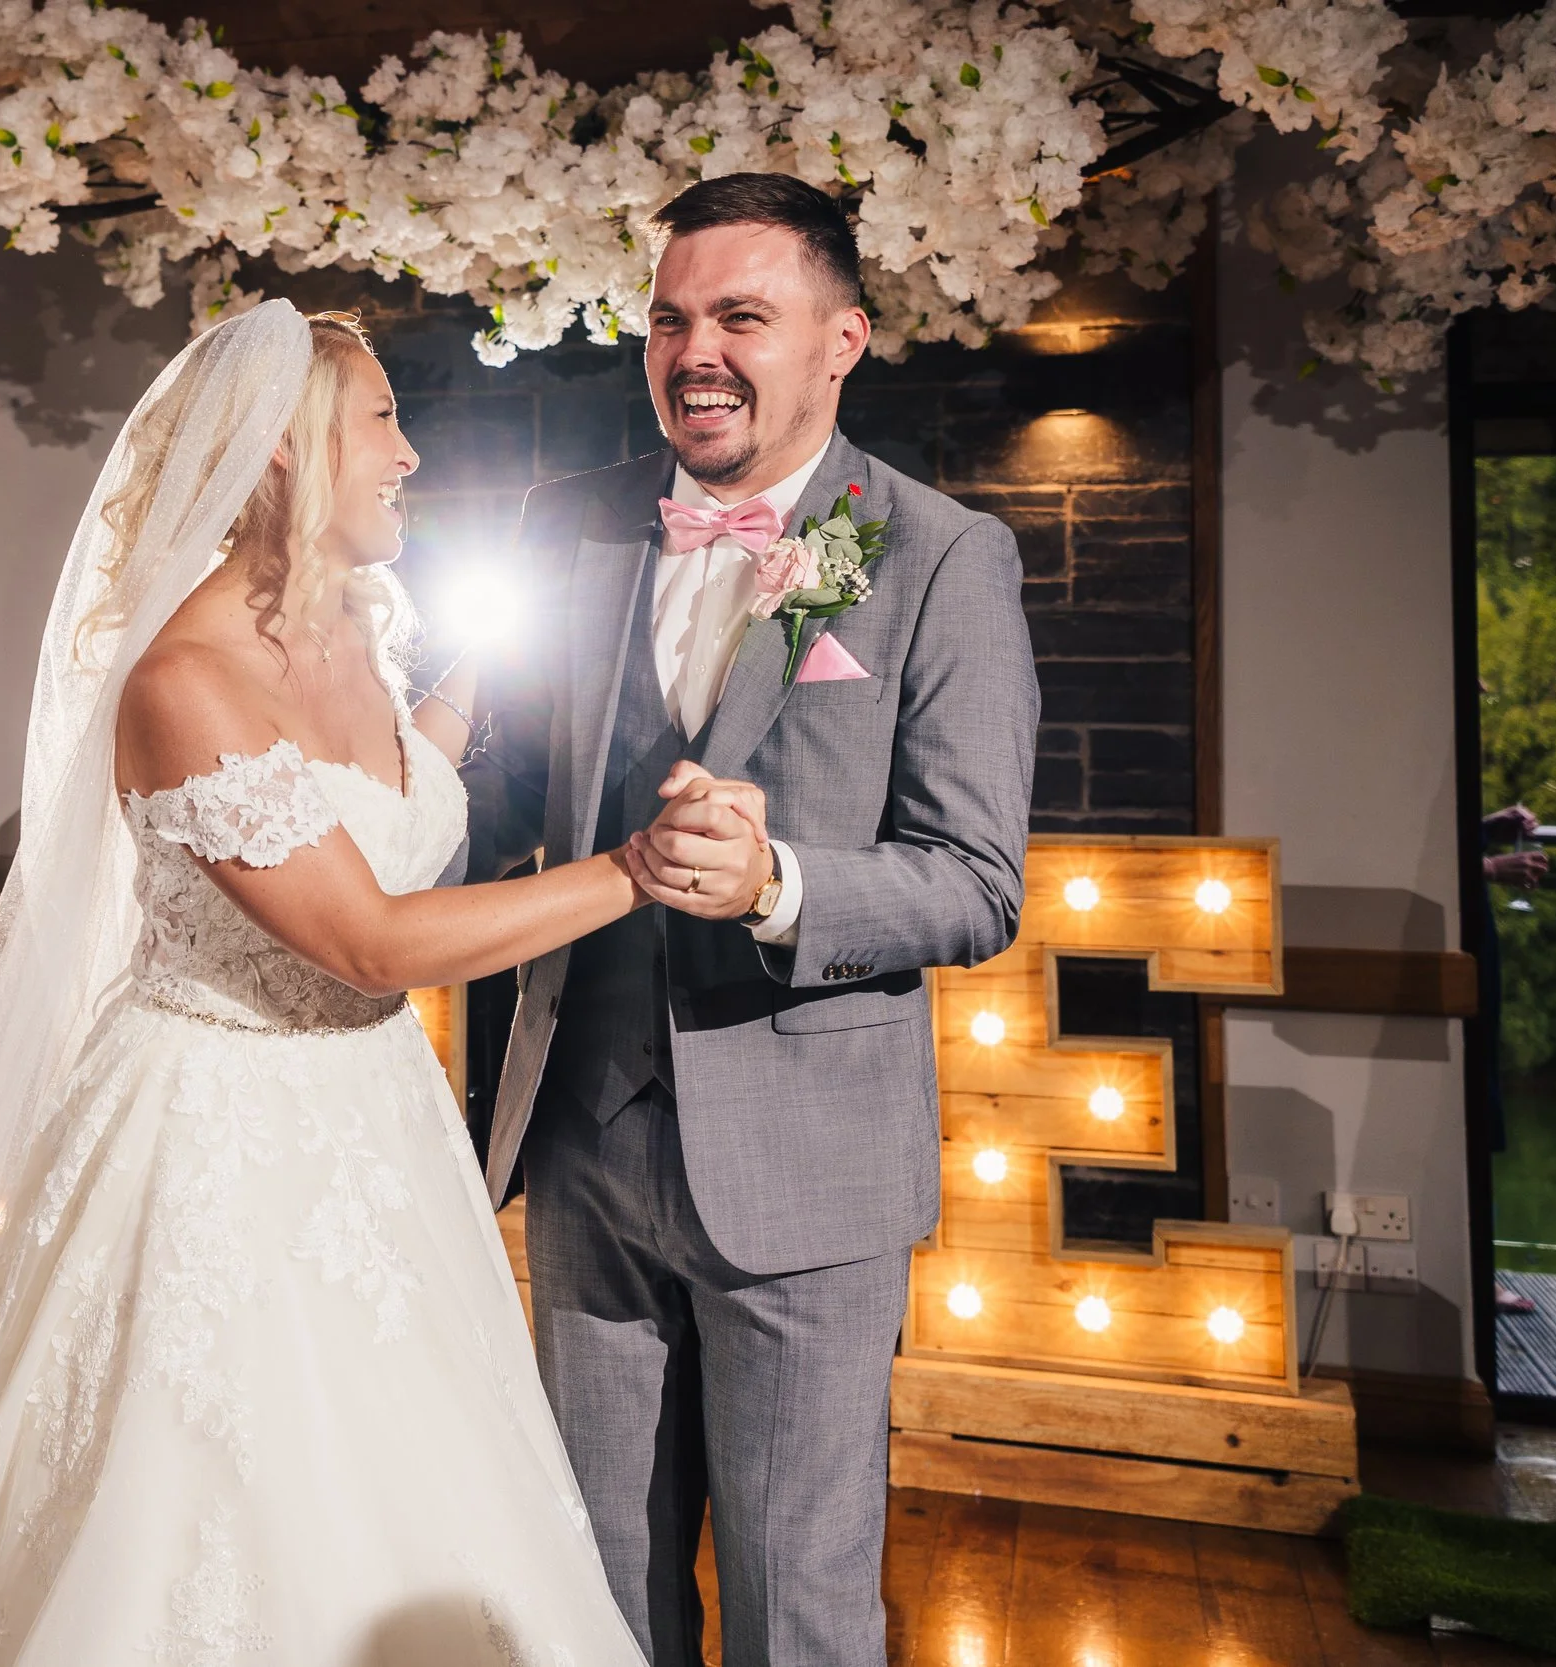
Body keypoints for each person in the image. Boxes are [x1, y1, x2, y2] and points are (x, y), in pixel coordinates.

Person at [0, 304, 706, 1665]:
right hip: (213, 1142)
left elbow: (394, 787)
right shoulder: (180, 682)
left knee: (421, 1488)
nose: (410, 456)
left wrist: (527, 678)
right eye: (382, 422)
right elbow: (367, 939)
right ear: (287, 451)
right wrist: (634, 871)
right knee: (212, 1503)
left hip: (381, 1132)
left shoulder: (368, 628)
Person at [467, 173, 1039, 1667]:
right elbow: (504, 793)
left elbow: (978, 879)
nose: (693, 351)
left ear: (841, 339)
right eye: (668, 318)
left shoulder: (939, 555)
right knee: (590, 1579)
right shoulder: (567, 524)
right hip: (584, 1143)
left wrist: (786, 884)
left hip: (808, 1177)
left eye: (740, 316)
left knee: (797, 1602)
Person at [1477, 801, 1548, 1315]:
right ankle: (1478, 1279)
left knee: (1477, 1106)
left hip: (1473, 954)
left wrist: (1482, 831)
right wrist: (1490, 867)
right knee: (1468, 1111)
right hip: (1451, 959)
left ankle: (1479, 1274)